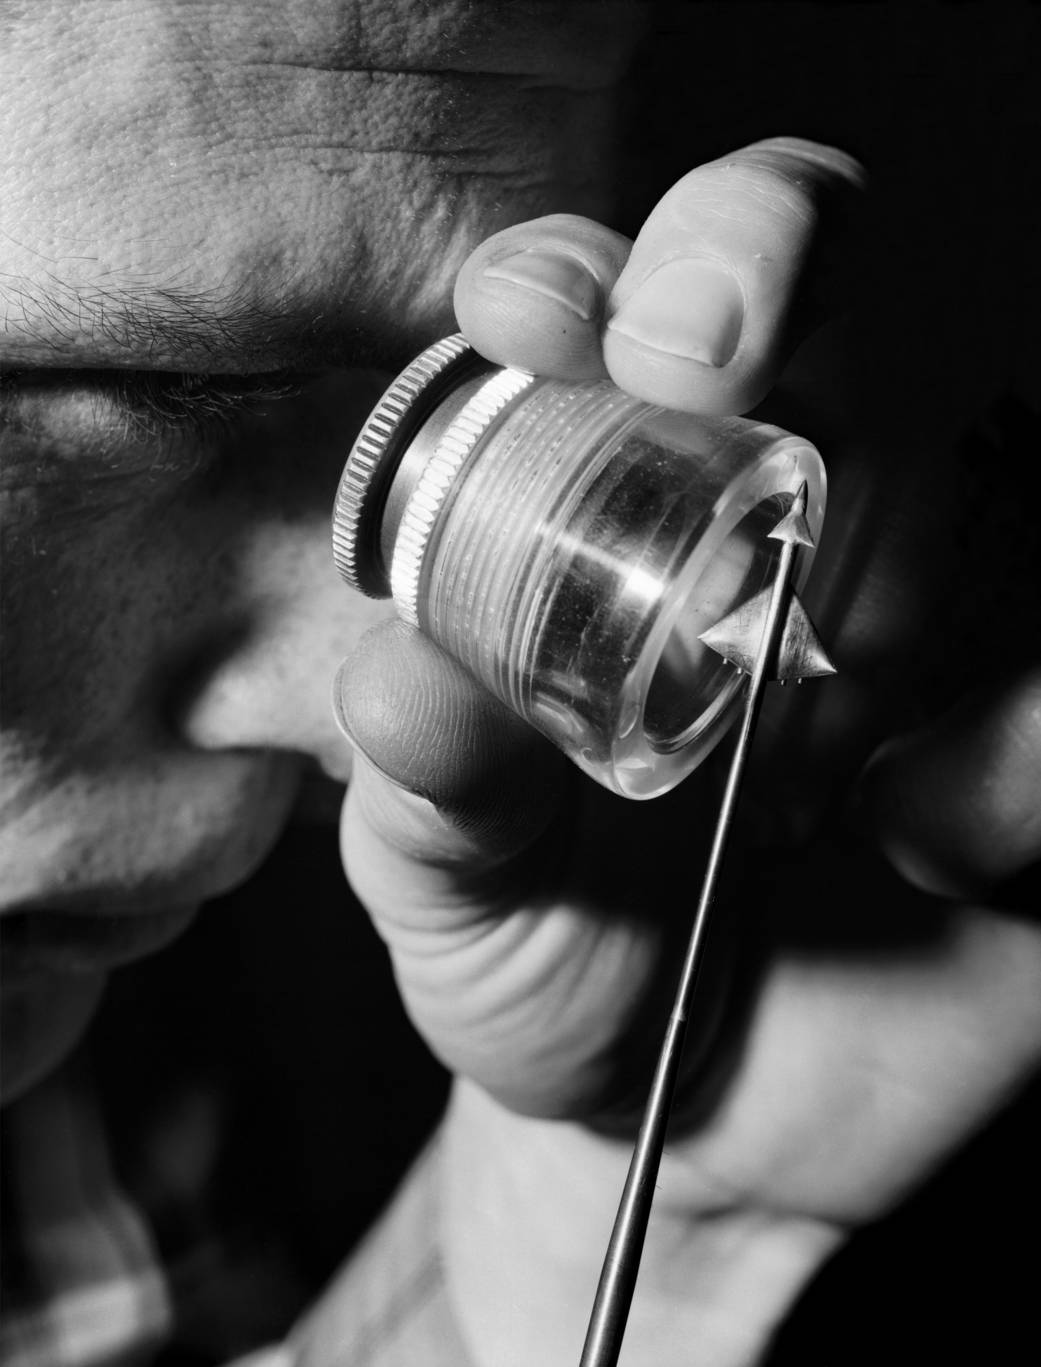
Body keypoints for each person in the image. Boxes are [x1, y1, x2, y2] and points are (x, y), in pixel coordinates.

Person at [2, 2, 1039, 1365]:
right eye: (171, 400)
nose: (356, 726)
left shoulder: (101, 1096)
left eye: (498, 417)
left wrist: (588, 1242)